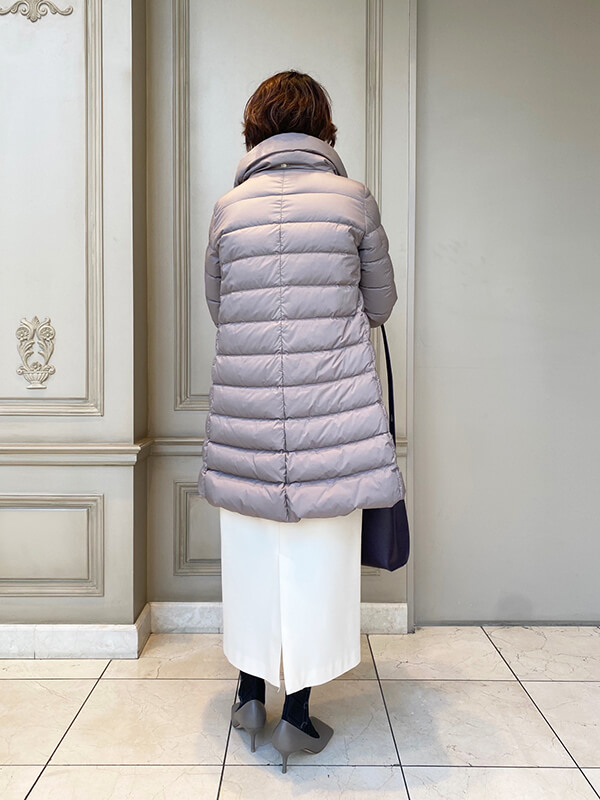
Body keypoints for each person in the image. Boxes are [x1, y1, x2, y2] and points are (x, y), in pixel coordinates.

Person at [197, 70, 405, 773]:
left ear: (254, 127)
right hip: (333, 424)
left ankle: (249, 697)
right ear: (323, 128)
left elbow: (222, 308)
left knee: (254, 557)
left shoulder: (228, 209)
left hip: (247, 422)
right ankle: (297, 717)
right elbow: (380, 305)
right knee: (318, 565)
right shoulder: (353, 200)